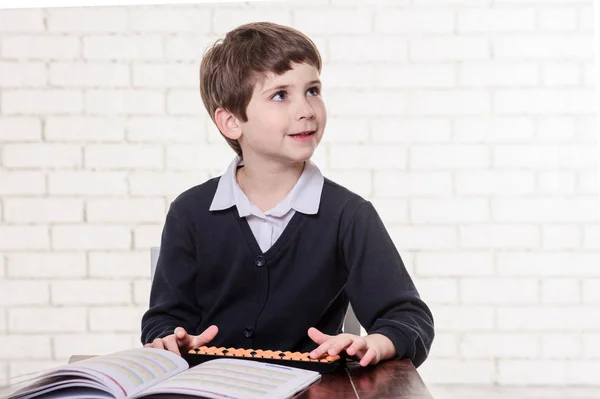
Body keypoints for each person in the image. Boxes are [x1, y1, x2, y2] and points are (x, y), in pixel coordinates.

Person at [141, 22, 434, 368]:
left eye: (312, 90)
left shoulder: (349, 215)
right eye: (280, 95)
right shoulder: (189, 212)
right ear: (232, 121)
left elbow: (408, 317)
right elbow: (161, 320)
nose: (306, 110)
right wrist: (172, 338)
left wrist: (374, 343)